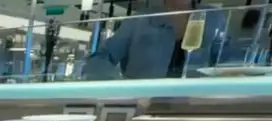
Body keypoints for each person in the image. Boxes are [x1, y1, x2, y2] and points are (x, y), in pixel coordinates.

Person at [84, 0, 225, 79]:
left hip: (195, 102)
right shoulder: (140, 20)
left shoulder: (213, 17)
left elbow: (225, 60)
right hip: (142, 102)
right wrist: (119, 85)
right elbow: (100, 58)